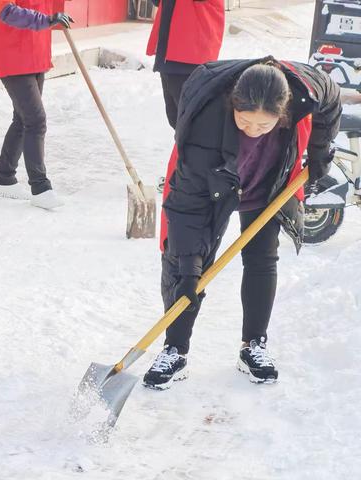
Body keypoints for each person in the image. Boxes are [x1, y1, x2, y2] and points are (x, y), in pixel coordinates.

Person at [143, 57, 342, 390]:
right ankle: (174, 350)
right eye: (244, 121)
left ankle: (253, 345)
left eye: (263, 126)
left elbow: (331, 98)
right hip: (212, 182)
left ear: (284, 113)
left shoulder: (305, 89)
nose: (252, 129)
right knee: (185, 268)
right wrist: (191, 268)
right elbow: (187, 207)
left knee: (262, 258)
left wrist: (320, 149)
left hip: (267, 184)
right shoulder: (204, 127)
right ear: (232, 103)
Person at [0, 0, 73, 209]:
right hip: (13, 55)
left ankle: (4, 178)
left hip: (35, 53)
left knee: (22, 119)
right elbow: (7, 12)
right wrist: (47, 20)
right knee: (36, 121)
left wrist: (56, 16)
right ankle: (40, 188)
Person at [146, 0, 225, 190]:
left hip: (192, 51)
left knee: (191, 123)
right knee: (176, 120)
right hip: (171, 52)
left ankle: (190, 174)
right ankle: (184, 170)